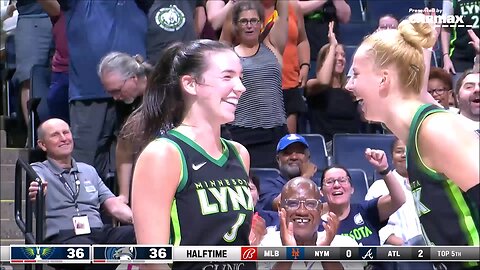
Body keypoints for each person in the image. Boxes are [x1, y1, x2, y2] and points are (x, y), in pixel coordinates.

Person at [346, 13, 479, 269]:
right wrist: (423, 49)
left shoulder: (435, 129)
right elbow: (417, 90)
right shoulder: (417, 131)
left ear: (383, 78)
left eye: (356, 74)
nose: (349, 85)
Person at [123, 40, 255, 270]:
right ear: (191, 84)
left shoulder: (239, 153)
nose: (240, 87)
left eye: (240, 77)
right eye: (227, 77)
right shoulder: (164, 154)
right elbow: (152, 261)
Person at [28, 118, 135, 270]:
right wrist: (38, 188)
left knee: (135, 234)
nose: (64, 138)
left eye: (66, 132)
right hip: (62, 238)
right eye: (55, 135)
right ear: (42, 145)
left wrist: (136, 220)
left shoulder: (88, 170)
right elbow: (37, 182)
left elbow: (114, 205)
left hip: (98, 233)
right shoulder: (37, 170)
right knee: (93, 252)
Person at [60, 0, 147, 183]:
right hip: (88, 94)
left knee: (140, 160)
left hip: (137, 92)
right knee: (86, 166)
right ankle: (86, 210)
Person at [221, 0, 289, 168]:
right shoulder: (228, 56)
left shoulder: (272, 45)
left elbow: (284, 13)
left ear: (261, 23)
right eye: (244, 21)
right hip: (241, 133)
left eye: (254, 20)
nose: (249, 25)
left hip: (276, 132)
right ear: (235, 25)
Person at [320, 154, 406, 270]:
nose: (336, 185)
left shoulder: (366, 211)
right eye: (330, 182)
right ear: (321, 192)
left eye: (342, 180)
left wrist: (384, 170)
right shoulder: (315, 225)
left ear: (352, 189)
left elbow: (398, 199)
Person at [259, 177, 361, 270]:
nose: (302, 211)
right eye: (293, 203)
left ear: (320, 210)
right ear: (280, 209)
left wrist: (325, 253)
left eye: (311, 204)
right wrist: (288, 254)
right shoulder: (265, 244)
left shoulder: (346, 244)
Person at [306, 22, 361, 151]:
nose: (340, 58)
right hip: (328, 147)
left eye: (343, 55)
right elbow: (324, 81)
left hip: (353, 145)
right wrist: (332, 45)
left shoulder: (350, 88)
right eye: (335, 55)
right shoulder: (313, 86)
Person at [258, 133, 318, 212]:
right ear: (278, 159)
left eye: (299, 152)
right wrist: (305, 177)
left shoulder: (319, 184)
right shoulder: (268, 185)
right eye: (287, 153)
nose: (294, 157)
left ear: (308, 158)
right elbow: (280, 204)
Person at [441, 0, 479, 86]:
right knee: (457, 94)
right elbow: (445, 27)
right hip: (459, 57)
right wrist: (446, 56)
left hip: (478, 54)